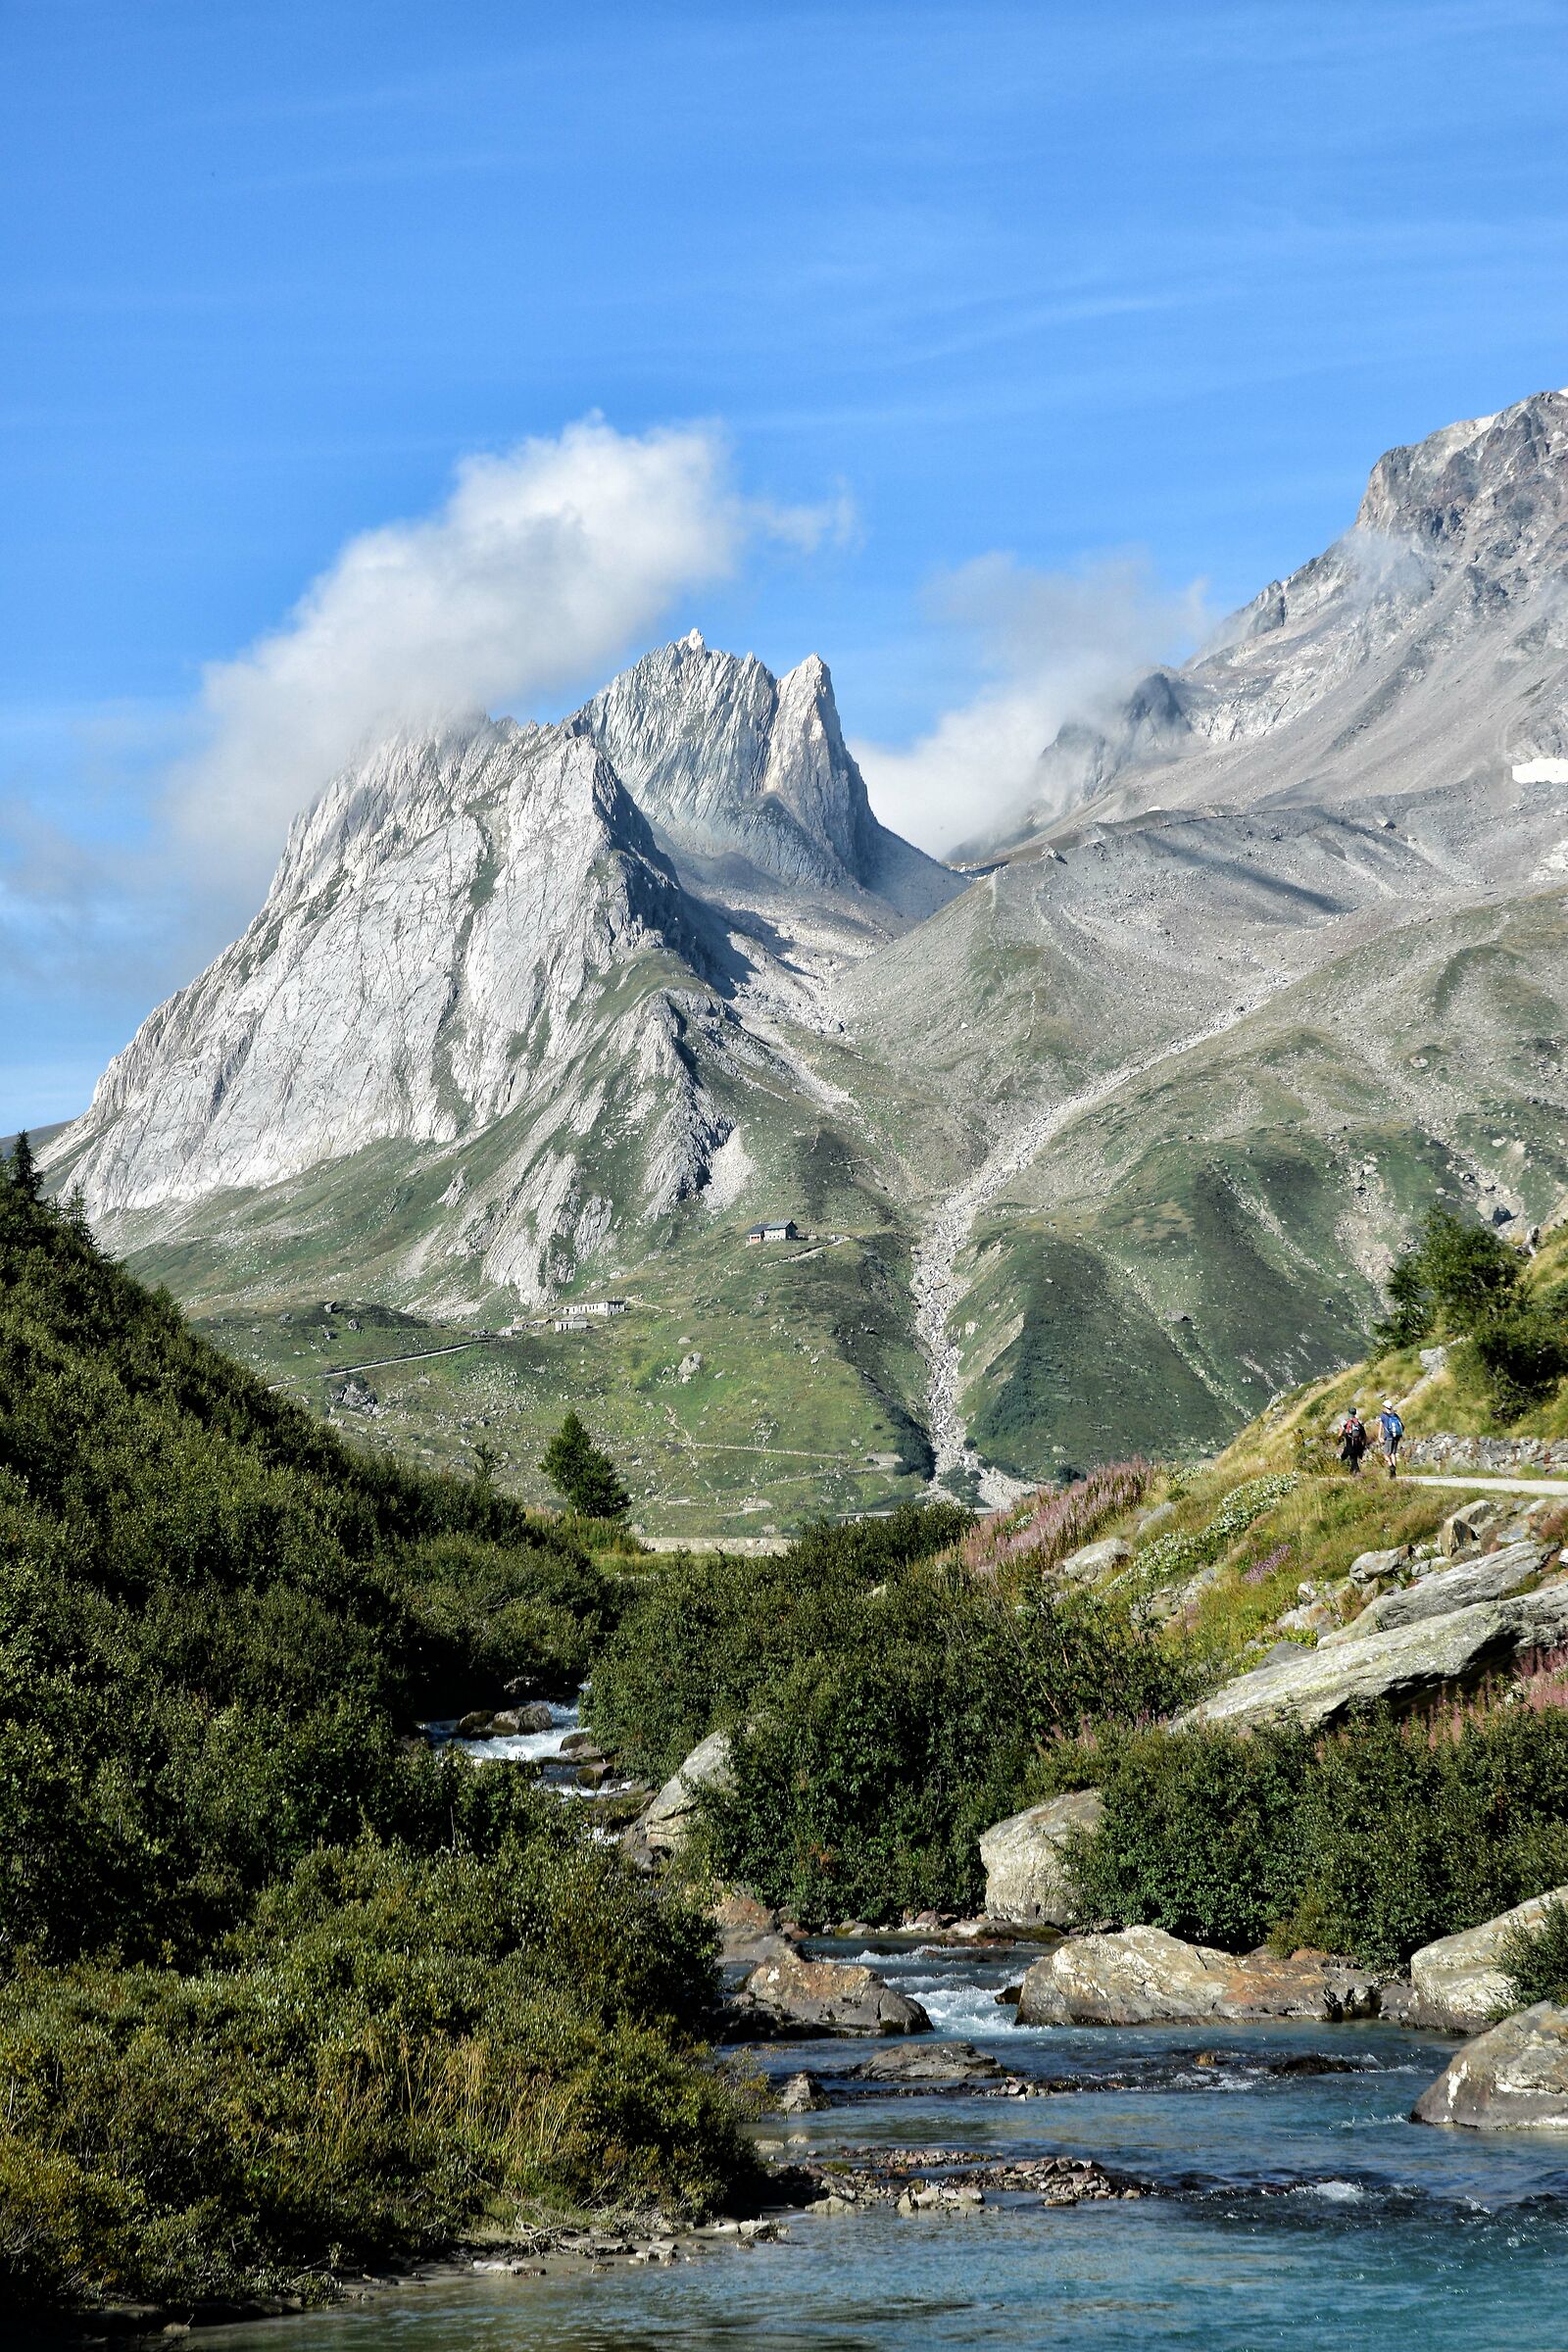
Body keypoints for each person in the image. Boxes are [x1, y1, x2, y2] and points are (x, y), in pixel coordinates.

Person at [1338, 1404, 1368, 1475]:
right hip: (1358, 1441)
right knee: (1353, 1456)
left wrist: (1338, 1439)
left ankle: (1357, 1471)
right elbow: (1363, 1433)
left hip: (1349, 1441)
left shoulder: (1345, 1422)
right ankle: (1352, 1472)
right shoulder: (1358, 1422)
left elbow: (1340, 1433)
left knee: (1349, 1456)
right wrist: (1364, 1442)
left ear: (1349, 1413)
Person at [1378, 1397, 1404, 1479]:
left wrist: (1379, 1436)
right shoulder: (1395, 1415)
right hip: (1396, 1437)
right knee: (1393, 1454)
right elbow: (1402, 1426)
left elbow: (1380, 1427)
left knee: (1386, 1454)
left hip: (1388, 1437)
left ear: (1385, 1407)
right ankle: (1394, 1472)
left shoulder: (1383, 1416)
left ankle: (1391, 1467)